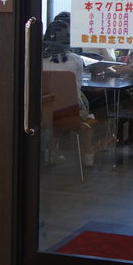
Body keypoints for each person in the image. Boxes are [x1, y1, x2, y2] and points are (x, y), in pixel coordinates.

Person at [41, 18, 96, 166]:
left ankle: (52, 154)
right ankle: (88, 158)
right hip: (71, 112)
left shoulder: (38, 61)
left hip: (44, 111)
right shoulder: (76, 60)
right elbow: (77, 87)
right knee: (86, 113)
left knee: (55, 121)